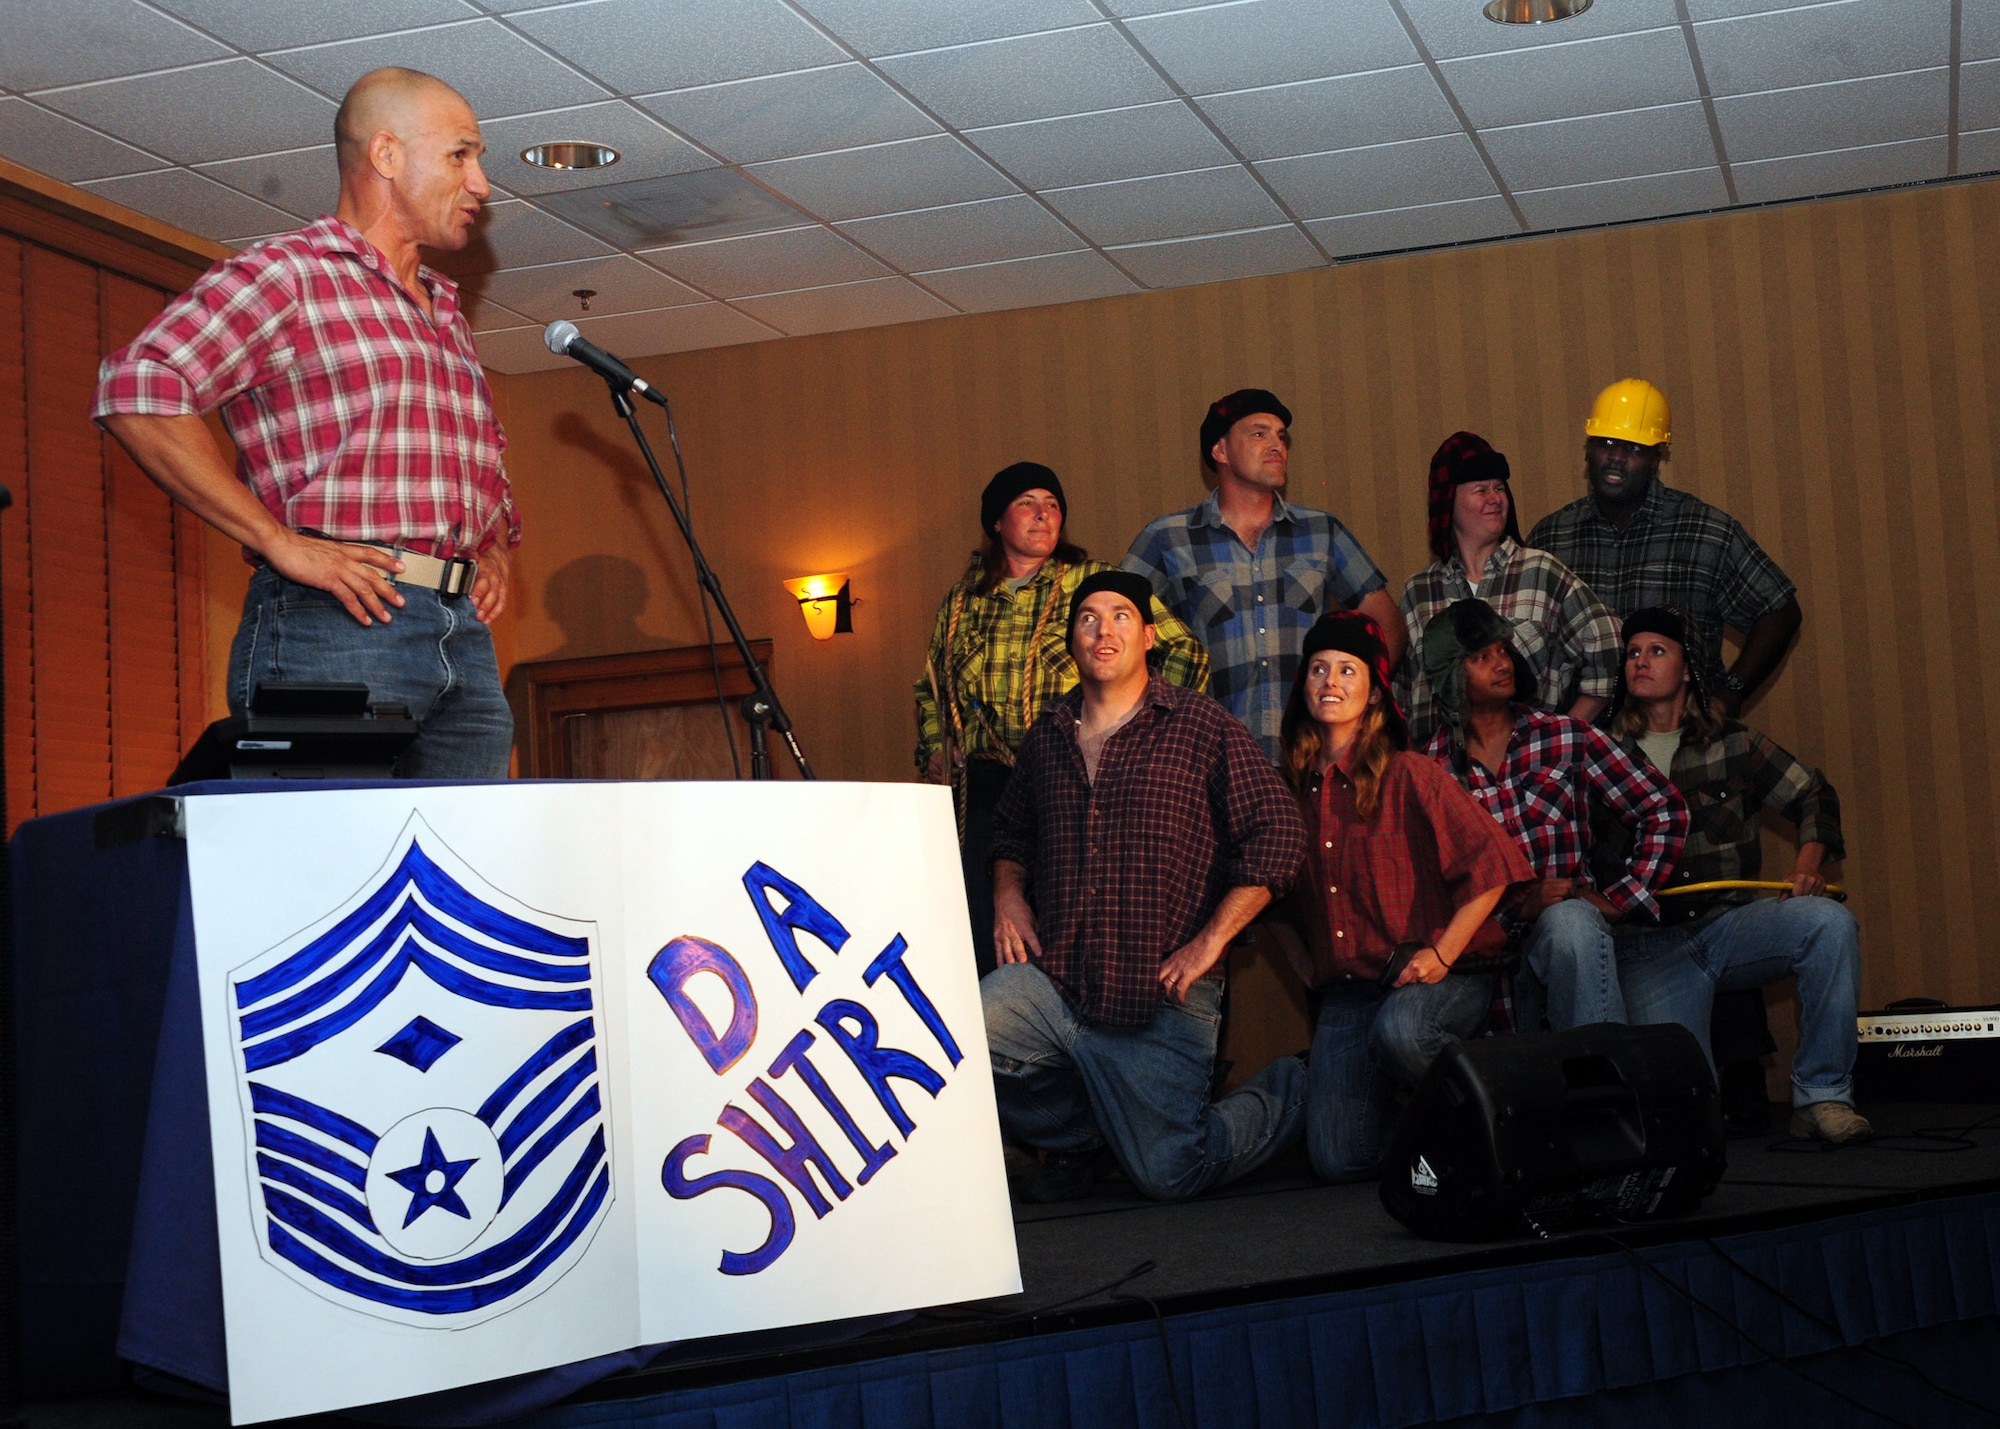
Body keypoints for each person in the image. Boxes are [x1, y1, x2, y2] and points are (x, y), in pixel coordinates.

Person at [93, 68, 518, 778]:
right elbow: (139, 386)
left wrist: (494, 544)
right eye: (461, 155)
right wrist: (278, 541)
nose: (480, 183)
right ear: (386, 155)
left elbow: (466, 454)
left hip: (464, 639)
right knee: (331, 872)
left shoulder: (444, 307)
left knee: (463, 868)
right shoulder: (290, 274)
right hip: (336, 621)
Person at [983, 570, 1307, 1203]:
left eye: (1121, 616)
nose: (1104, 630)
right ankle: (1097, 1131)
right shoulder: (1047, 737)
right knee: (956, 1044)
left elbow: (1280, 835)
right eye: (1088, 618)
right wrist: (1007, 893)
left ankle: (1299, 1086)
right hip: (1058, 982)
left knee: (1171, 1172)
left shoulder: (1200, 726)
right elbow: (1012, 834)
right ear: (1071, 642)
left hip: (1159, 995)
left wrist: (1211, 941)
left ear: (1149, 636)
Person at [1528, 377, 1802, 1125]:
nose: (1615, 458)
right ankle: (1615, 1083)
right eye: (1605, 444)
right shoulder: (1552, 538)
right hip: (1593, 760)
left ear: (1658, 456)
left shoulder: (1706, 530)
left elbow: (1780, 604)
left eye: (1632, 448)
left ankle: (1739, 1071)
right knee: (1604, 907)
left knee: (1711, 898)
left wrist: (1732, 691)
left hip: (1688, 750)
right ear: (1588, 448)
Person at [916, 463, 1209, 976]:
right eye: (1027, 502)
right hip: (987, 788)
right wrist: (937, 747)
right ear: (997, 523)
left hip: (1071, 776)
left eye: (1052, 504)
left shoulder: (1092, 585)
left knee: (1069, 920)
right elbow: (930, 689)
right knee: (988, 928)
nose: (1043, 513)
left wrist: (1146, 727)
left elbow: (1183, 650)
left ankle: (1071, 1034)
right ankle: (1006, 1033)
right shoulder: (961, 602)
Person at [1274, 611, 1531, 1184]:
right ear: (1303, 688)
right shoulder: (1288, 791)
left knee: (1403, 1032)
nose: (1330, 681)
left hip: (1443, 974)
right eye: (1318, 670)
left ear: (1372, 695)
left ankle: (1510, 1119)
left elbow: (1494, 869)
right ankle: (1437, 1136)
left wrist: (1442, 955)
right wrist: (1301, 962)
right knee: (1338, 1159)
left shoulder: (1411, 772)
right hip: (1352, 990)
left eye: (1347, 670)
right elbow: (1268, 895)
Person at [1598, 607, 1869, 1144]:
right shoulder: (1601, 753)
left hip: (1730, 929)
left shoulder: (1736, 744)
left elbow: (1814, 792)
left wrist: (1807, 864)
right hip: (1650, 946)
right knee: (1684, 1121)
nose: (1641, 662)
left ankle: (1822, 1097)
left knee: (1829, 924)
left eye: (1657, 651)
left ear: (1688, 669)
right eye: (1632, 653)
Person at [1418, 599, 1686, 1033]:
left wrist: (1624, 899)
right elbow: (1429, 895)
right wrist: (1517, 909)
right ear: (1451, 674)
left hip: (1575, 953)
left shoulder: (1563, 736)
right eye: (1481, 657)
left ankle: (1602, 1081)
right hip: (1483, 980)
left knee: (1570, 920)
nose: (1501, 663)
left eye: (1503, 650)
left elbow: (1664, 806)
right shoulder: (1430, 771)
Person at [1124, 388, 1403, 761]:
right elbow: (1114, 635)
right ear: (1220, 451)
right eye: (1259, 434)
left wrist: (1361, 710)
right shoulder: (1167, 539)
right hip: (1210, 763)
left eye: (1281, 436)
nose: (1277, 445)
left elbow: (1387, 626)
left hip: (1311, 762)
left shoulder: (1321, 532)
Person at [1396, 431, 1619, 743]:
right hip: (1443, 778)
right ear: (1448, 502)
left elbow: (1610, 647)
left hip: (1529, 776)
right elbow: (1402, 697)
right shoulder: (1418, 593)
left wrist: (1562, 737)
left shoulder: (1541, 572)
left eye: (1499, 488)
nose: (1495, 498)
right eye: (1481, 490)